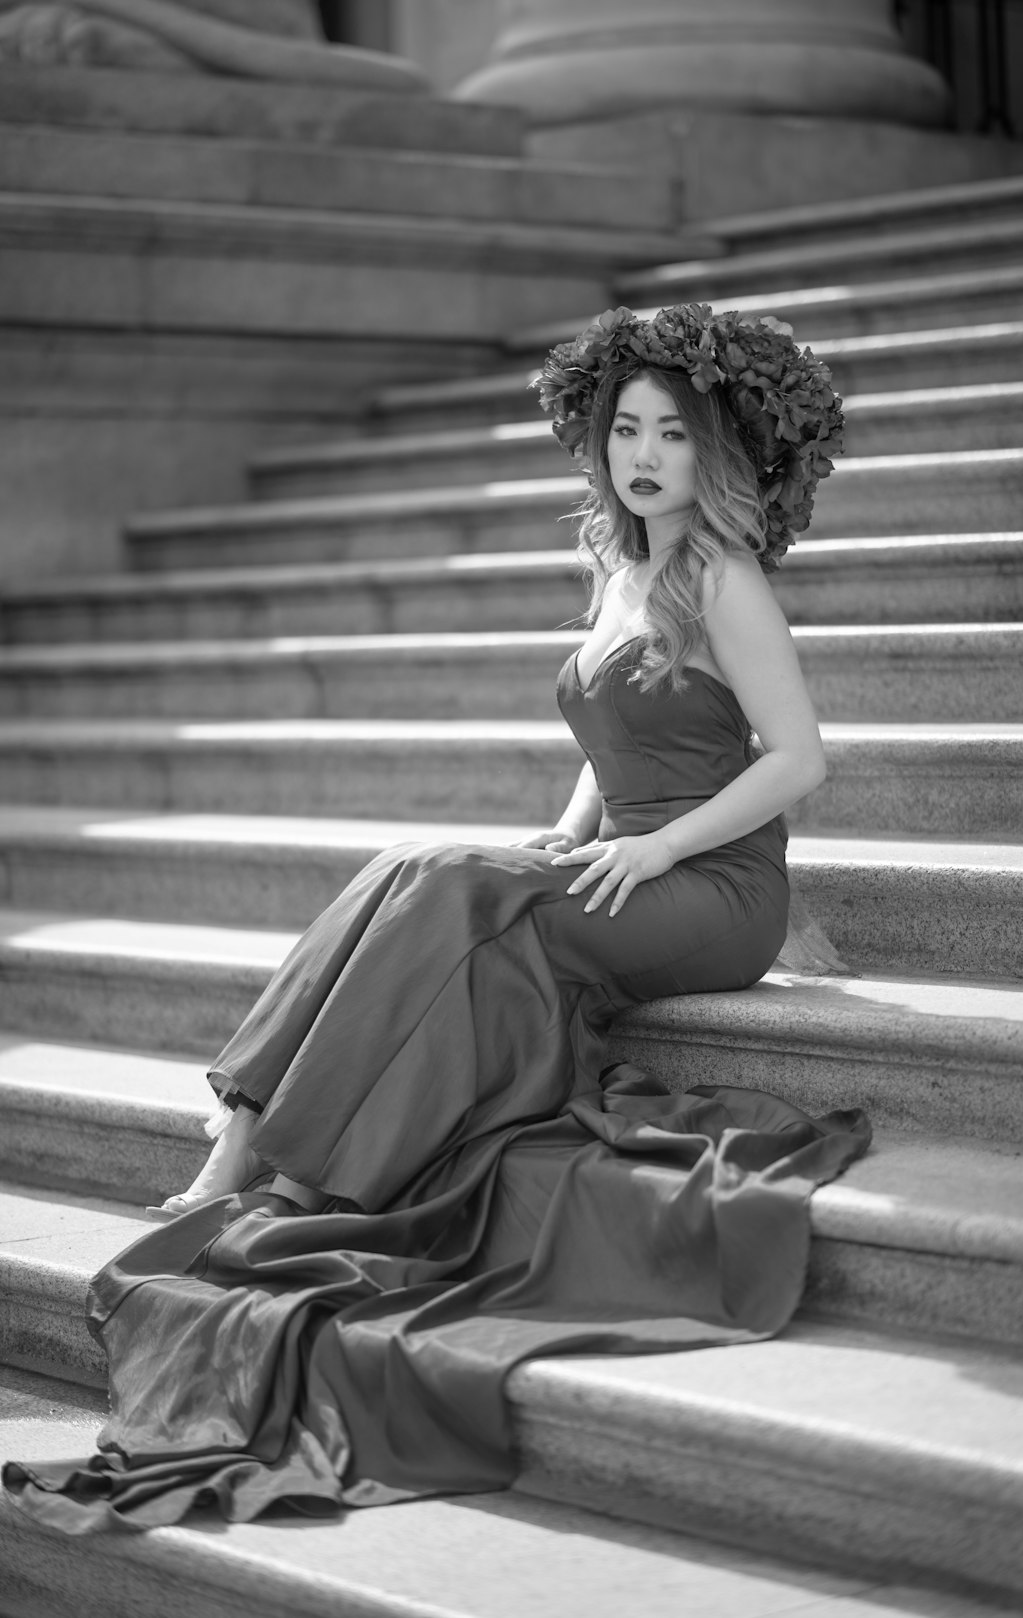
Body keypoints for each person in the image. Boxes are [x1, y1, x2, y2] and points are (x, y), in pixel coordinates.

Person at [3, 303, 868, 1533]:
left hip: (715, 883)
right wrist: (569, 835)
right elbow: (614, 735)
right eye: (625, 429)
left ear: (712, 449)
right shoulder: (623, 567)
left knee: (451, 882)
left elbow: (798, 762)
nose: (643, 454)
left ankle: (266, 1159)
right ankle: (242, 1139)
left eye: (671, 434)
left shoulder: (725, 577)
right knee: (416, 862)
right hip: (626, 856)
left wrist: (658, 844)